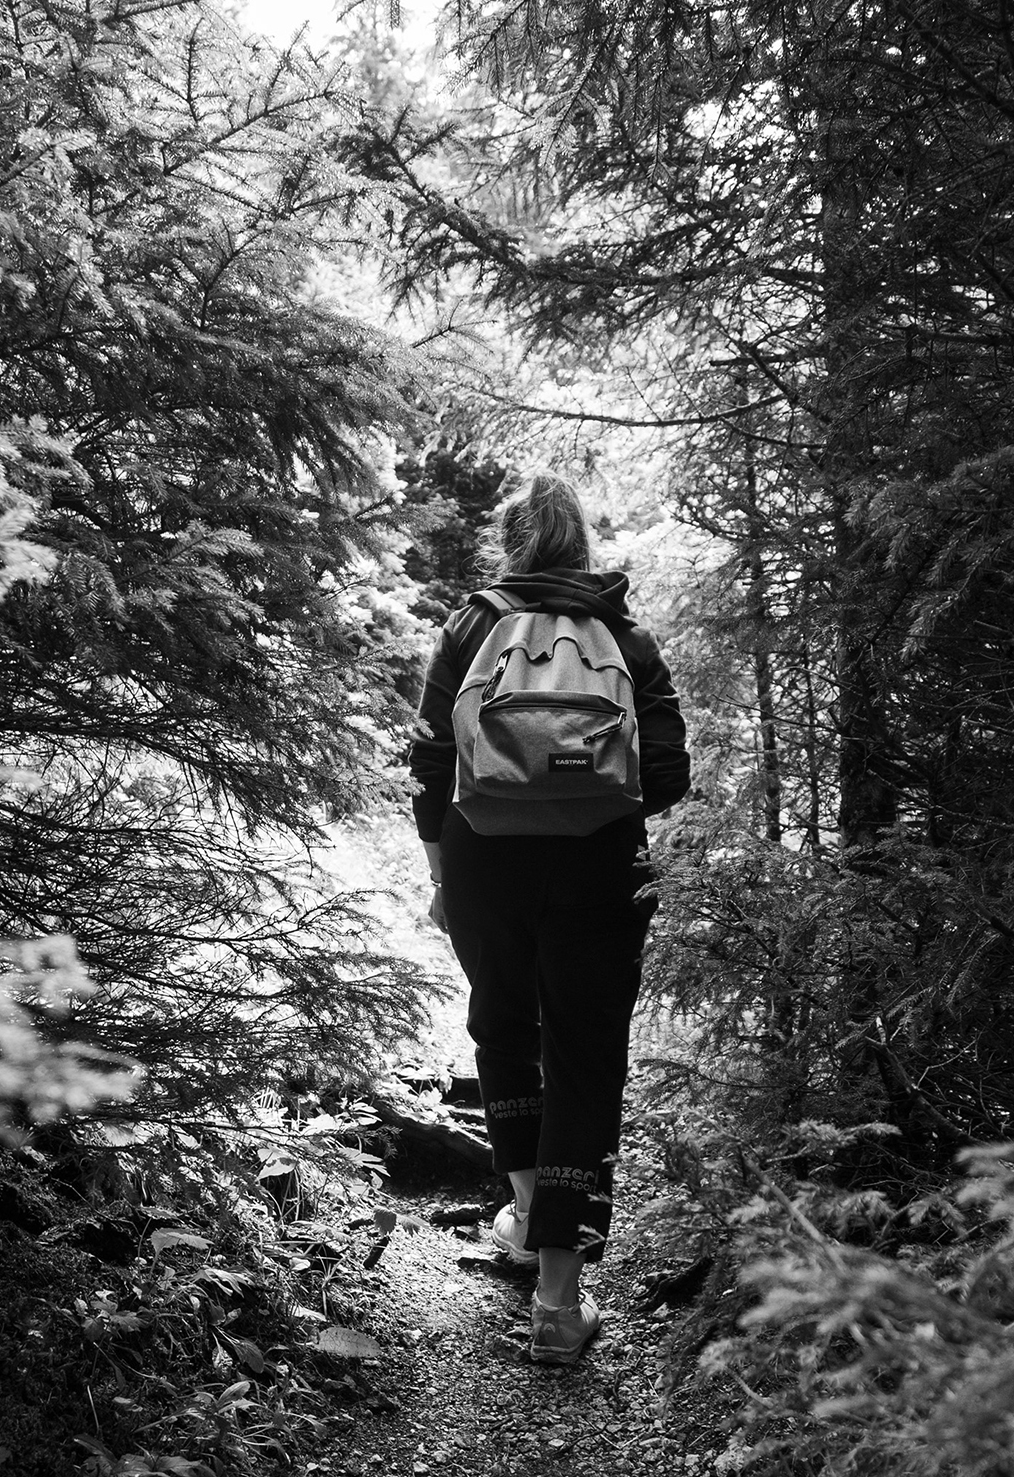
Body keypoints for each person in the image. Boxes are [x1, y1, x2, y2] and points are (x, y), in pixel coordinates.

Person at [408, 472, 690, 1365]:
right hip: (601, 863)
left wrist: (443, 868)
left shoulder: (469, 625)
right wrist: (584, 780)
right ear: (583, 544)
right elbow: (672, 774)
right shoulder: (628, 638)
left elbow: (426, 761)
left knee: (502, 1027)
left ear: (513, 539)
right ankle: (559, 1305)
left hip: (483, 854)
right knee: (585, 1056)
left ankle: (526, 1215)